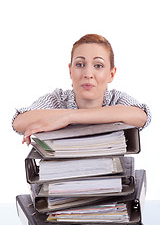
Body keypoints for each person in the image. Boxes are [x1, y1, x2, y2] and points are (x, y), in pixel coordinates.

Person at [12, 34, 151, 145]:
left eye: (98, 65)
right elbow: (19, 122)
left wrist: (68, 117)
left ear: (111, 74)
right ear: (70, 71)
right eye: (80, 64)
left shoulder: (116, 99)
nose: (88, 74)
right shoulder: (57, 99)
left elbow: (141, 117)